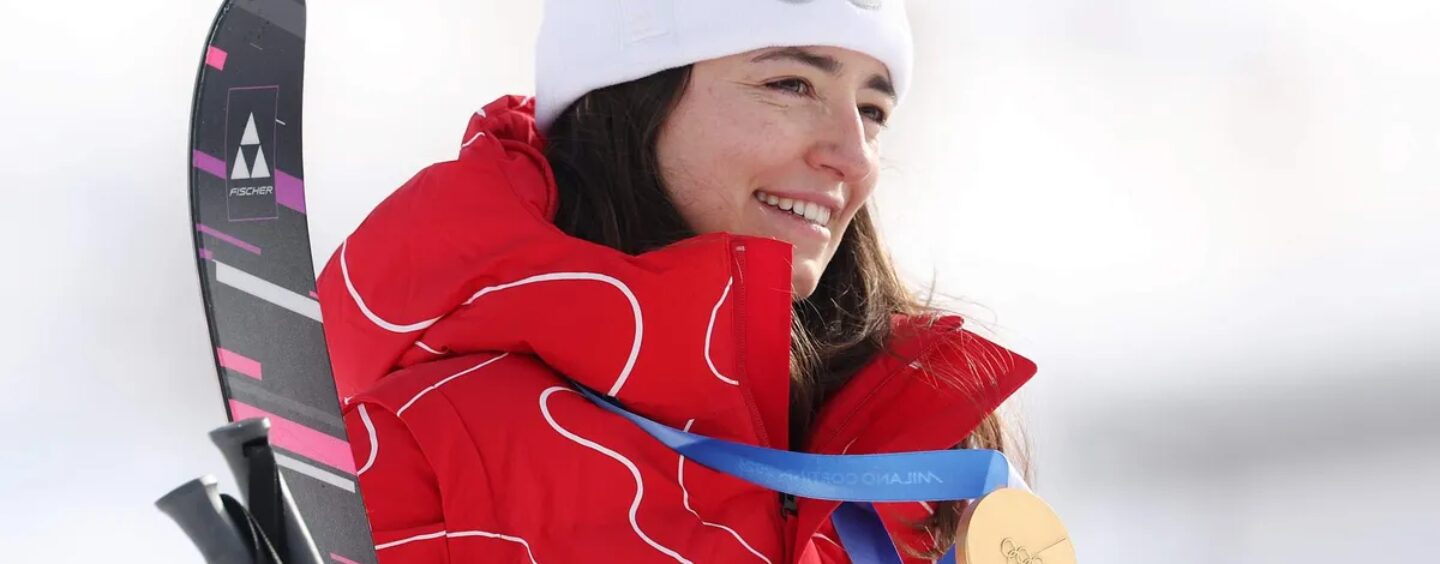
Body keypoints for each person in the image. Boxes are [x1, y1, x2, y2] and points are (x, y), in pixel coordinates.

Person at [317, 0, 1037, 562]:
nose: (853, 154)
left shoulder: (923, 451)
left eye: (873, 110)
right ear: (632, 100)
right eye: (790, 84)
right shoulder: (433, 445)